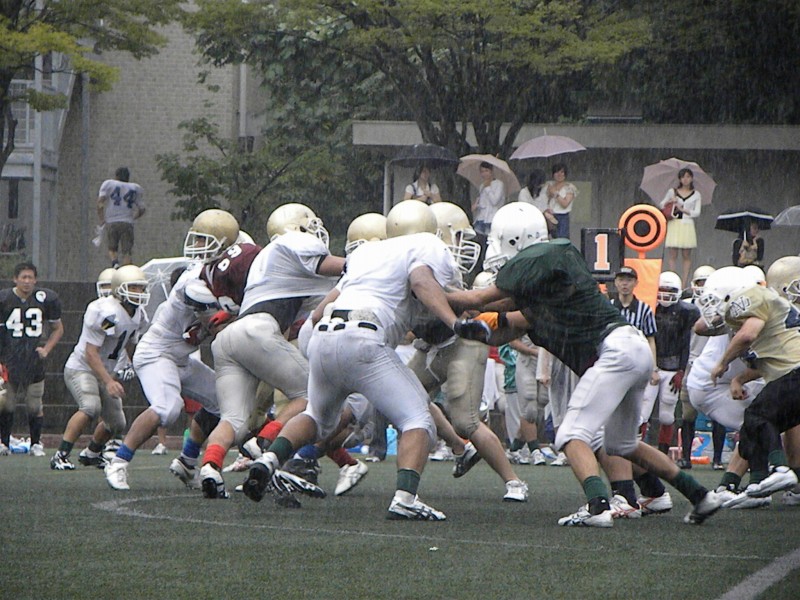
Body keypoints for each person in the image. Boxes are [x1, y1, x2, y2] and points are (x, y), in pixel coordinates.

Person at [447, 202, 724, 527]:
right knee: (623, 444)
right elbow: (503, 325)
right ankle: (700, 495)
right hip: (631, 347)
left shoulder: (544, 257)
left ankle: (598, 506)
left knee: (571, 433)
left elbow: (477, 299)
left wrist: (429, 294)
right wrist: (473, 327)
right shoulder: (550, 288)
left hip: (613, 350)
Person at [243, 201, 488, 520]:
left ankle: (269, 460)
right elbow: (421, 283)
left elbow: (318, 313)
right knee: (418, 418)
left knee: (316, 416)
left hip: (325, 335)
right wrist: (455, 322)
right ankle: (405, 498)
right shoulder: (424, 243)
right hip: (365, 337)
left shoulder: (366, 253)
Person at [198, 203, 343, 499]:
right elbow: (331, 267)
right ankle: (262, 442)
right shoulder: (294, 241)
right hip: (257, 330)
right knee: (313, 394)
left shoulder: (270, 262)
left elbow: (290, 323)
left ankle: (210, 467)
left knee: (233, 419)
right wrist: (365, 263)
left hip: (230, 338)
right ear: (297, 227)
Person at [104, 210, 241, 491]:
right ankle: (118, 461)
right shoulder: (194, 279)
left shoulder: (220, 277)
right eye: (198, 239)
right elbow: (214, 319)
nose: (197, 246)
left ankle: (187, 461)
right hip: (157, 354)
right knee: (168, 409)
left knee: (225, 402)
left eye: (203, 241)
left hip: (180, 357)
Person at [696, 266, 800, 500]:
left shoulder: (751, 297)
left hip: (794, 373)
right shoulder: (769, 302)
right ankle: (747, 487)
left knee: (756, 416)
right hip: (791, 372)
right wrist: (739, 378)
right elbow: (700, 327)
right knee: (756, 427)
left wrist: (723, 363)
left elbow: (747, 335)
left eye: (715, 298)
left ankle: (780, 470)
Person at [50, 266, 150, 470]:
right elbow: (91, 353)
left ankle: (92, 453)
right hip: (82, 368)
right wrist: (109, 381)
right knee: (90, 407)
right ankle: (60, 455)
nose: (139, 292)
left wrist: (139, 366)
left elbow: (130, 344)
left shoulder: (138, 314)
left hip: (105, 371)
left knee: (117, 423)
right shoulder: (106, 312)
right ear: (119, 289)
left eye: (141, 288)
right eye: (133, 288)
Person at [0, 262, 64, 457]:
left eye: (30, 277)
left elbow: (58, 329)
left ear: (35, 280)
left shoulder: (45, 298)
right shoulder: (4, 299)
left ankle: (36, 443)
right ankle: (3, 442)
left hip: (33, 359)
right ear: (15, 279)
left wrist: (46, 349)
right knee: (6, 403)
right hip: (9, 358)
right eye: (23, 277)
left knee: (34, 404)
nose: (27, 281)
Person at [659, 167, 701, 287]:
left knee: (686, 255)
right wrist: (670, 201)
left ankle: (684, 283)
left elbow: (696, 212)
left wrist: (683, 209)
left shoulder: (696, 194)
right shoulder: (672, 192)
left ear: (691, 178)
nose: (685, 179)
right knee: (673, 254)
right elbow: (662, 205)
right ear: (679, 179)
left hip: (687, 224)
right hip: (674, 223)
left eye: (688, 177)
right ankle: (673, 280)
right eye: (683, 177)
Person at [96, 167, 145, 268]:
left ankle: (115, 263)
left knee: (112, 248)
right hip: (127, 222)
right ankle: (126, 269)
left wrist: (102, 218)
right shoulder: (135, 188)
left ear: (116, 176)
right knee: (127, 252)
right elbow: (142, 209)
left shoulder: (109, 184)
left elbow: (100, 203)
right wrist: (133, 217)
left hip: (112, 221)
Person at [518, 170, 557, 237]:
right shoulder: (524, 192)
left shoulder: (545, 190)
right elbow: (524, 209)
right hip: (529, 224)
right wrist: (541, 212)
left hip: (544, 224)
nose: (541, 186)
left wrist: (551, 198)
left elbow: (549, 204)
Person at [471, 162, 506, 236]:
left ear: (491, 171)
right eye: (482, 171)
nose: (484, 174)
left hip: (492, 217)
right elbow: (483, 203)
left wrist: (488, 188)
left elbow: (494, 201)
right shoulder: (482, 186)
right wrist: (476, 206)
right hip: (482, 218)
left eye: (486, 171)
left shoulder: (499, 184)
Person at [545, 163, 578, 240]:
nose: (559, 174)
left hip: (562, 216)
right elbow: (545, 200)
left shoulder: (569, 187)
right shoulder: (549, 185)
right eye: (557, 172)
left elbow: (565, 204)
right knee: (548, 238)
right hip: (549, 216)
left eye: (562, 172)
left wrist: (555, 193)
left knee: (562, 239)